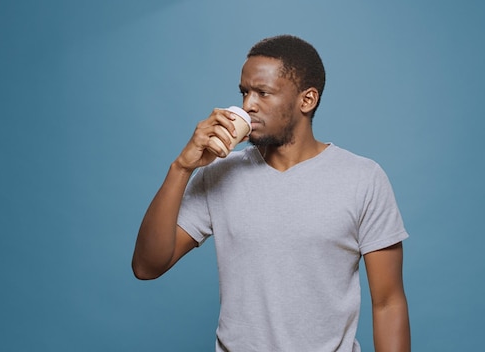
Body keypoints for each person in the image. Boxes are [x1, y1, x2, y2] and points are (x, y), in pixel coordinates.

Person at [132, 34, 411, 352]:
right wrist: (182, 168)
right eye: (244, 92)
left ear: (307, 100)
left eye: (263, 93)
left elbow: (388, 303)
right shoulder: (219, 174)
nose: (248, 105)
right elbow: (147, 266)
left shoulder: (363, 179)